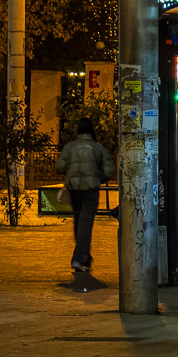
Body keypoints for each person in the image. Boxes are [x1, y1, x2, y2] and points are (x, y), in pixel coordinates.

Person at [56, 117, 115, 274]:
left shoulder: (70, 147)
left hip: (74, 190)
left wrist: (71, 172)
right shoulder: (98, 148)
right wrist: (98, 177)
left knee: (78, 222)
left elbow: (59, 166)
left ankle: (84, 257)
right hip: (91, 190)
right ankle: (80, 258)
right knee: (85, 225)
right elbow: (110, 171)